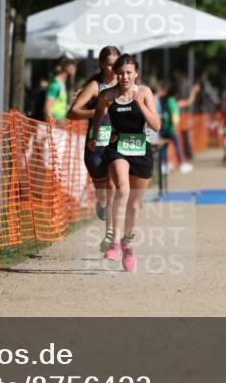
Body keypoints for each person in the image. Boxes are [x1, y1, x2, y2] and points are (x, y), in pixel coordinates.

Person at [89, 54, 161, 272]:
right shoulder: (107, 96)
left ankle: (128, 244)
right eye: (120, 73)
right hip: (118, 148)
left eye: (129, 72)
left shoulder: (145, 93)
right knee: (122, 188)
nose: (125, 77)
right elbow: (98, 114)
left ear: (136, 74)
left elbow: (156, 126)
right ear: (115, 74)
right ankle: (114, 243)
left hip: (141, 150)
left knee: (135, 205)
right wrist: (94, 137)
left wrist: (141, 104)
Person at [67, 46, 121, 249]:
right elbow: (72, 113)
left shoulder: (124, 86)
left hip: (116, 146)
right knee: (104, 193)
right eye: (109, 65)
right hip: (95, 147)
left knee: (115, 187)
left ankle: (112, 238)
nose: (113, 69)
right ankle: (102, 203)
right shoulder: (95, 86)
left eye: (116, 64)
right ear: (101, 65)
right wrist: (98, 112)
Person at [158, 82, 187, 174]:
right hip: (170, 128)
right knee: (177, 146)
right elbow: (172, 114)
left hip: (164, 128)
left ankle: (163, 166)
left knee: (164, 148)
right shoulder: (171, 101)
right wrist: (174, 127)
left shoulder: (166, 100)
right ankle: (181, 164)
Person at [44, 58, 76, 124]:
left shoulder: (63, 84)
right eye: (74, 68)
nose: (75, 71)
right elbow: (47, 107)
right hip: (55, 122)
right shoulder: (55, 85)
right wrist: (51, 125)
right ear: (68, 68)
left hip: (60, 121)